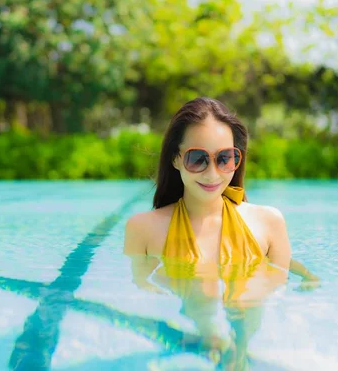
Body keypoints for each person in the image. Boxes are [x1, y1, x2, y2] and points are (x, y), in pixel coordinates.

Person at [123, 97, 319, 369]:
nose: (212, 173)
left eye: (224, 158)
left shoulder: (269, 222)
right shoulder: (142, 228)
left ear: (237, 159)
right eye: (198, 159)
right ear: (176, 159)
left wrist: (307, 277)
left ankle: (236, 349)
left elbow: (279, 281)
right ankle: (215, 340)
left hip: (249, 326)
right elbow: (141, 289)